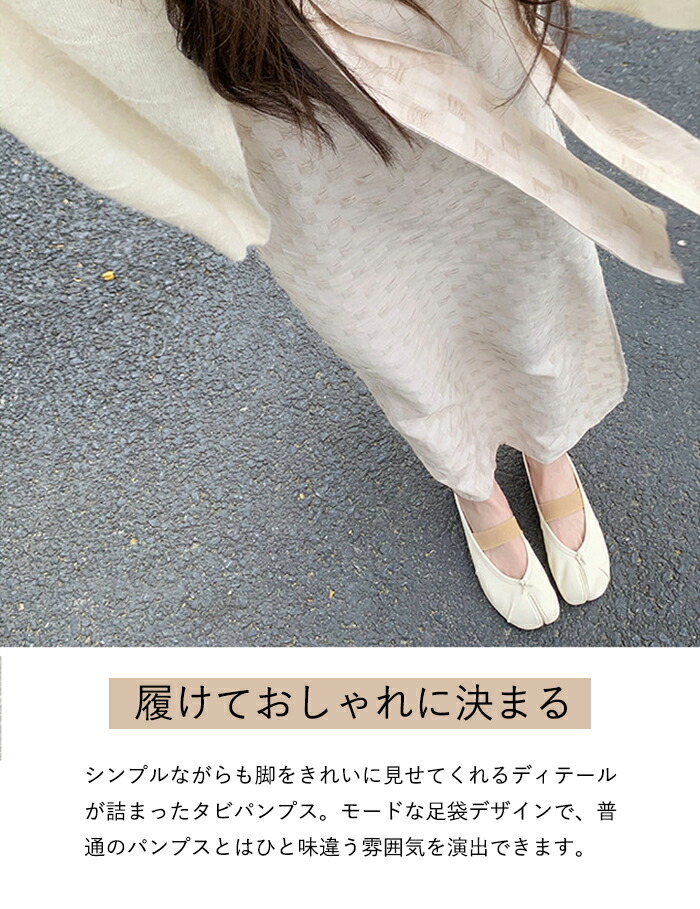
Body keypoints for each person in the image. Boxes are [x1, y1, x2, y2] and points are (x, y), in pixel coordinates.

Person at [1, 0, 698, 630]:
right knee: (383, 322)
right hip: (271, 68)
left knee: (529, 263)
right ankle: (475, 482)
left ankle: (548, 446)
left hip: (454, 26)